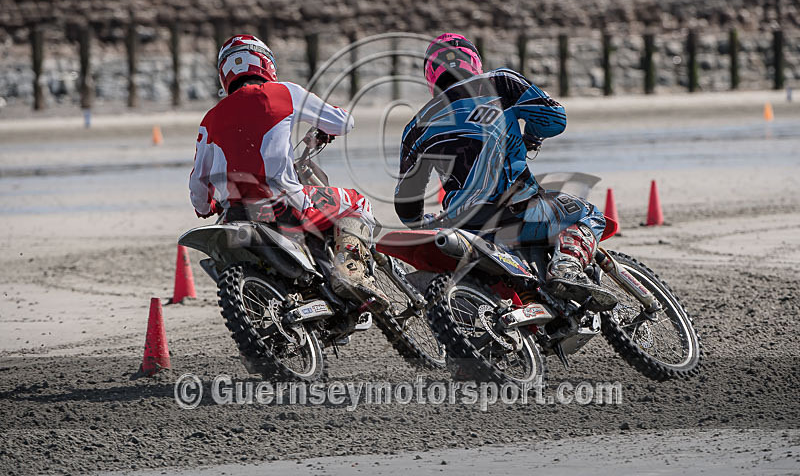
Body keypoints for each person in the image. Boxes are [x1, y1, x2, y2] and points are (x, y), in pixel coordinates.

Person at [394, 33, 616, 310]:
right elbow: (555, 119)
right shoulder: (500, 81)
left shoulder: (416, 126)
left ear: (430, 75)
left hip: (463, 224)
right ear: (474, 61)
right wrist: (532, 137)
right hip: (520, 209)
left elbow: (406, 204)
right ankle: (566, 268)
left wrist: (425, 222)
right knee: (588, 213)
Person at [190, 34, 389, 310]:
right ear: (265, 63)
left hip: (234, 213)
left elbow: (198, 188)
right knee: (357, 202)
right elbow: (344, 123)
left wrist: (207, 205)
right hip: (286, 204)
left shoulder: (210, 119)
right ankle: (350, 273)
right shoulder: (284, 92)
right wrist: (325, 127)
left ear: (225, 73)